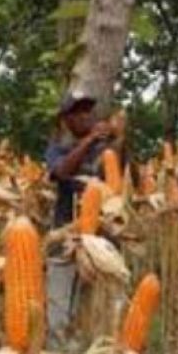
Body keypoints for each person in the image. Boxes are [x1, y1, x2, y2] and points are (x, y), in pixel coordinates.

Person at [42, 91, 116, 340]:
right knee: (59, 302)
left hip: (100, 242)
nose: (86, 116)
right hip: (66, 235)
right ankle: (58, 348)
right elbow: (62, 172)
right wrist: (90, 139)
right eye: (78, 112)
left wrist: (119, 138)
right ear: (66, 120)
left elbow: (122, 187)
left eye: (88, 110)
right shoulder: (57, 149)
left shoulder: (107, 150)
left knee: (93, 305)